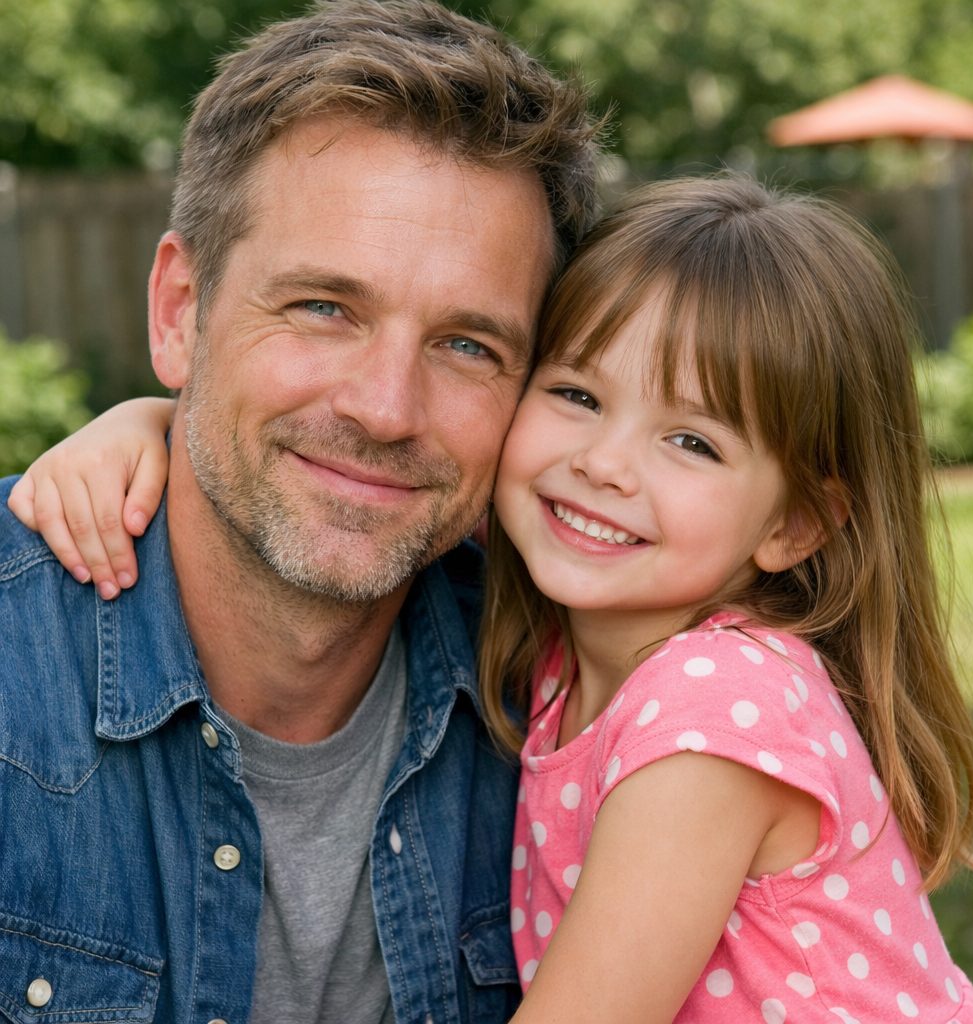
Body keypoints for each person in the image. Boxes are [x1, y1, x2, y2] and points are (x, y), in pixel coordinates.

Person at [16, 175, 973, 1022]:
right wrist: (149, 423)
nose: (603, 465)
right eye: (577, 395)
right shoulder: (559, 611)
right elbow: (344, 476)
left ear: (794, 523)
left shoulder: (711, 709)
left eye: (693, 442)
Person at [0, 1, 601, 1022]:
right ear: (180, 312)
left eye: (467, 345)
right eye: (324, 308)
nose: (385, 408)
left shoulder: (574, 700)